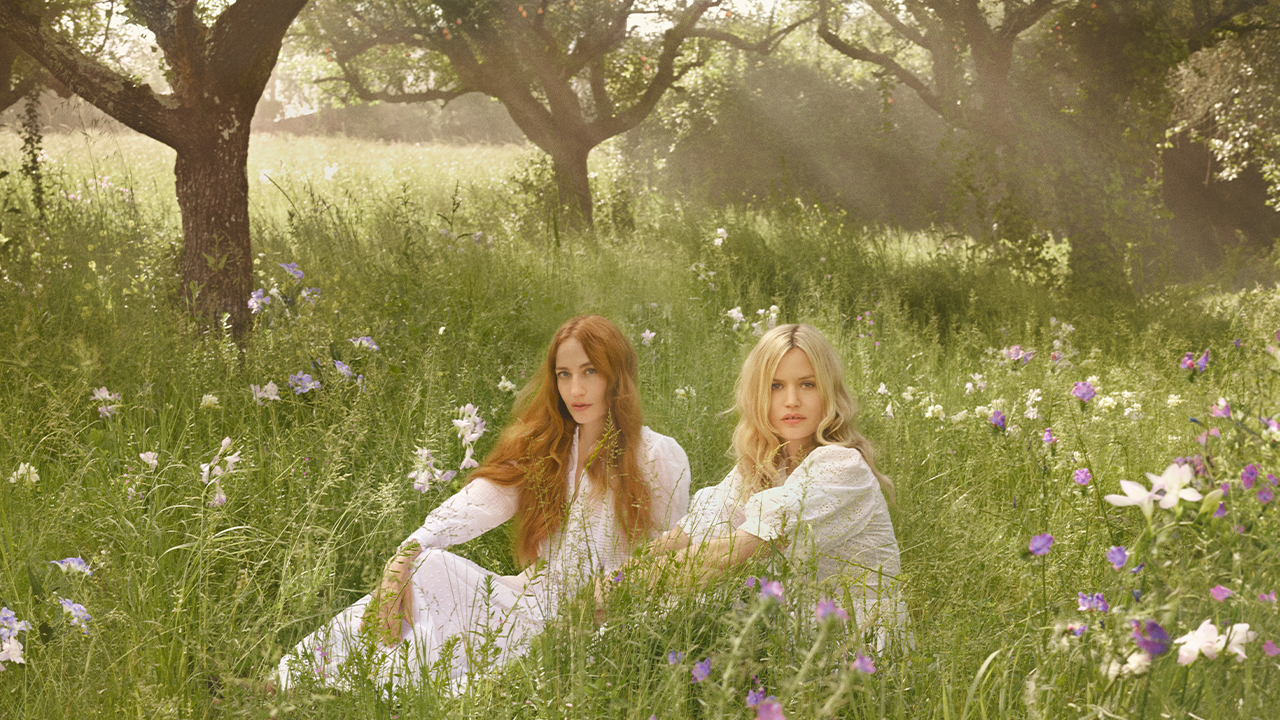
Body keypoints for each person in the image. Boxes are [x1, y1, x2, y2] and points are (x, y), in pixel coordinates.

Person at [278, 315, 690, 689]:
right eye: (564, 375)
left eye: (590, 372)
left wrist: (611, 603)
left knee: (458, 640)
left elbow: (671, 556)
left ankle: (368, 684)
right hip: (535, 601)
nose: (575, 390)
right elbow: (478, 503)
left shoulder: (656, 455)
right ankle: (294, 677)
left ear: (617, 376)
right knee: (427, 565)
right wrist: (403, 557)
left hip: (597, 620)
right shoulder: (549, 444)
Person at [640, 323, 905, 645]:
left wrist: (627, 587)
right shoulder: (765, 466)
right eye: (776, 386)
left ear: (828, 391)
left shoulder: (842, 466)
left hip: (857, 658)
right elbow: (687, 535)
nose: (791, 400)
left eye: (807, 384)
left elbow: (736, 550)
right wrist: (615, 578)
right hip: (794, 650)